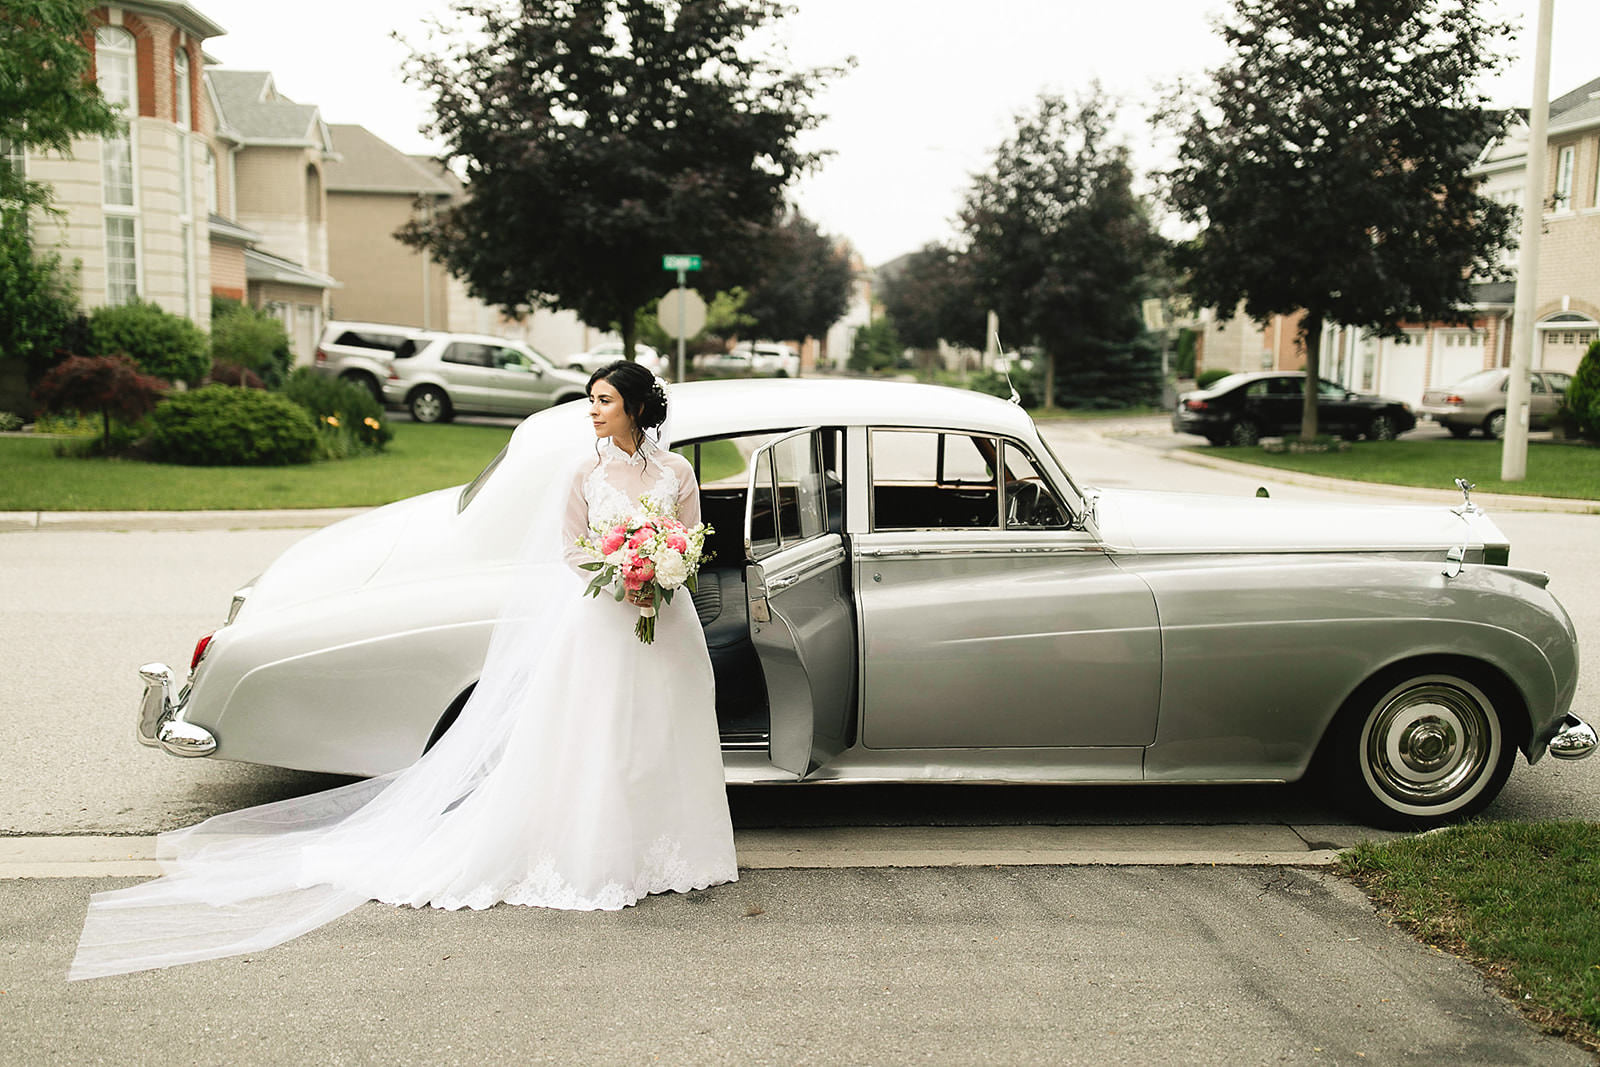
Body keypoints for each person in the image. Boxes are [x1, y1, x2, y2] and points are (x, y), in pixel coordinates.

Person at [69, 360, 736, 980]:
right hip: (601, 620)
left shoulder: (676, 471)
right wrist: (621, 575)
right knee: (600, 737)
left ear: (637, 407)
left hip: (664, 623)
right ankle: (603, 855)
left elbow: (692, 541)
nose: (593, 411)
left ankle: (670, 849)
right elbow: (569, 549)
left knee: (664, 730)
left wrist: (662, 573)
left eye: (605, 401)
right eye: (592, 400)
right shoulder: (580, 475)